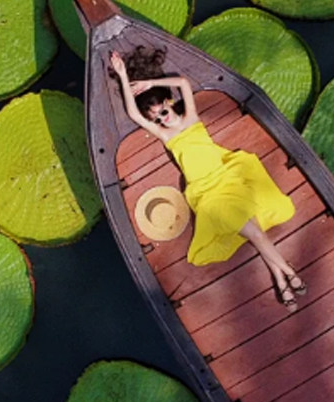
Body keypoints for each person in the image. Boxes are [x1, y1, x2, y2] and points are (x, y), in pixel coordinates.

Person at [110, 46, 306, 309]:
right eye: (156, 117)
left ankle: (284, 279)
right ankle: (288, 276)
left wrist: (149, 83)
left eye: (163, 112)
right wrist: (122, 76)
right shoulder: (166, 135)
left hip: (227, 180)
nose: (162, 118)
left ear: (169, 103)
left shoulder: (191, 118)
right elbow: (135, 115)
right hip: (208, 194)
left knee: (255, 234)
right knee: (255, 233)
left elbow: (182, 82)